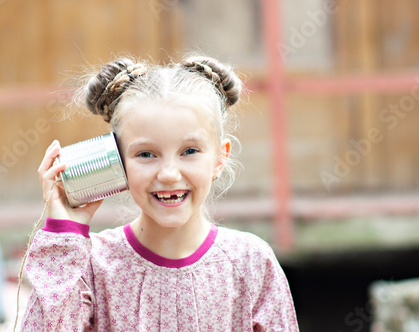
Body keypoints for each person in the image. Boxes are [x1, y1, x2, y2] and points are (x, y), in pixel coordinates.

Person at [19, 55, 299, 331]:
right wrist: (64, 231)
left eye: (189, 151)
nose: (168, 174)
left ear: (219, 158)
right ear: (117, 161)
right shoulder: (90, 267)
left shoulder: (250, 263)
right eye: (146, 154)